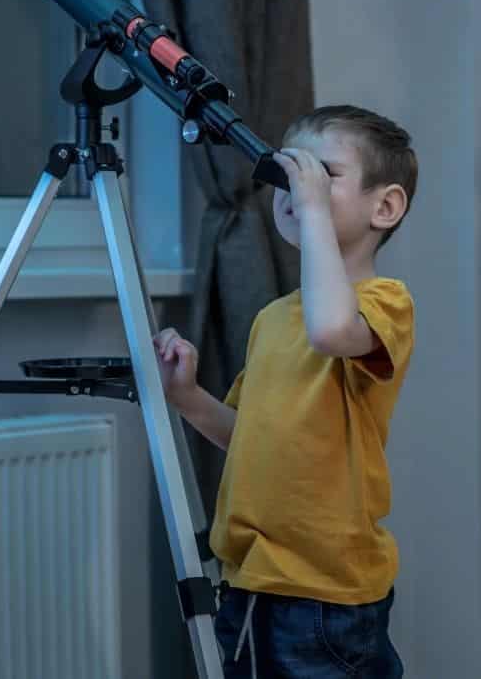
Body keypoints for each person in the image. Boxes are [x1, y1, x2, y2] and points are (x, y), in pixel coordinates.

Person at [154, 104, 418, 678]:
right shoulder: (274, 318)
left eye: (323, 175)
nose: (297, 188)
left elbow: (331, 332)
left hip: (327, 594)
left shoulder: (384, 305)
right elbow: (247, 436)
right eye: (288, 174)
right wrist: (188, 397)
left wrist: (313, 212)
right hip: (250, 581)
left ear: (385, 207)